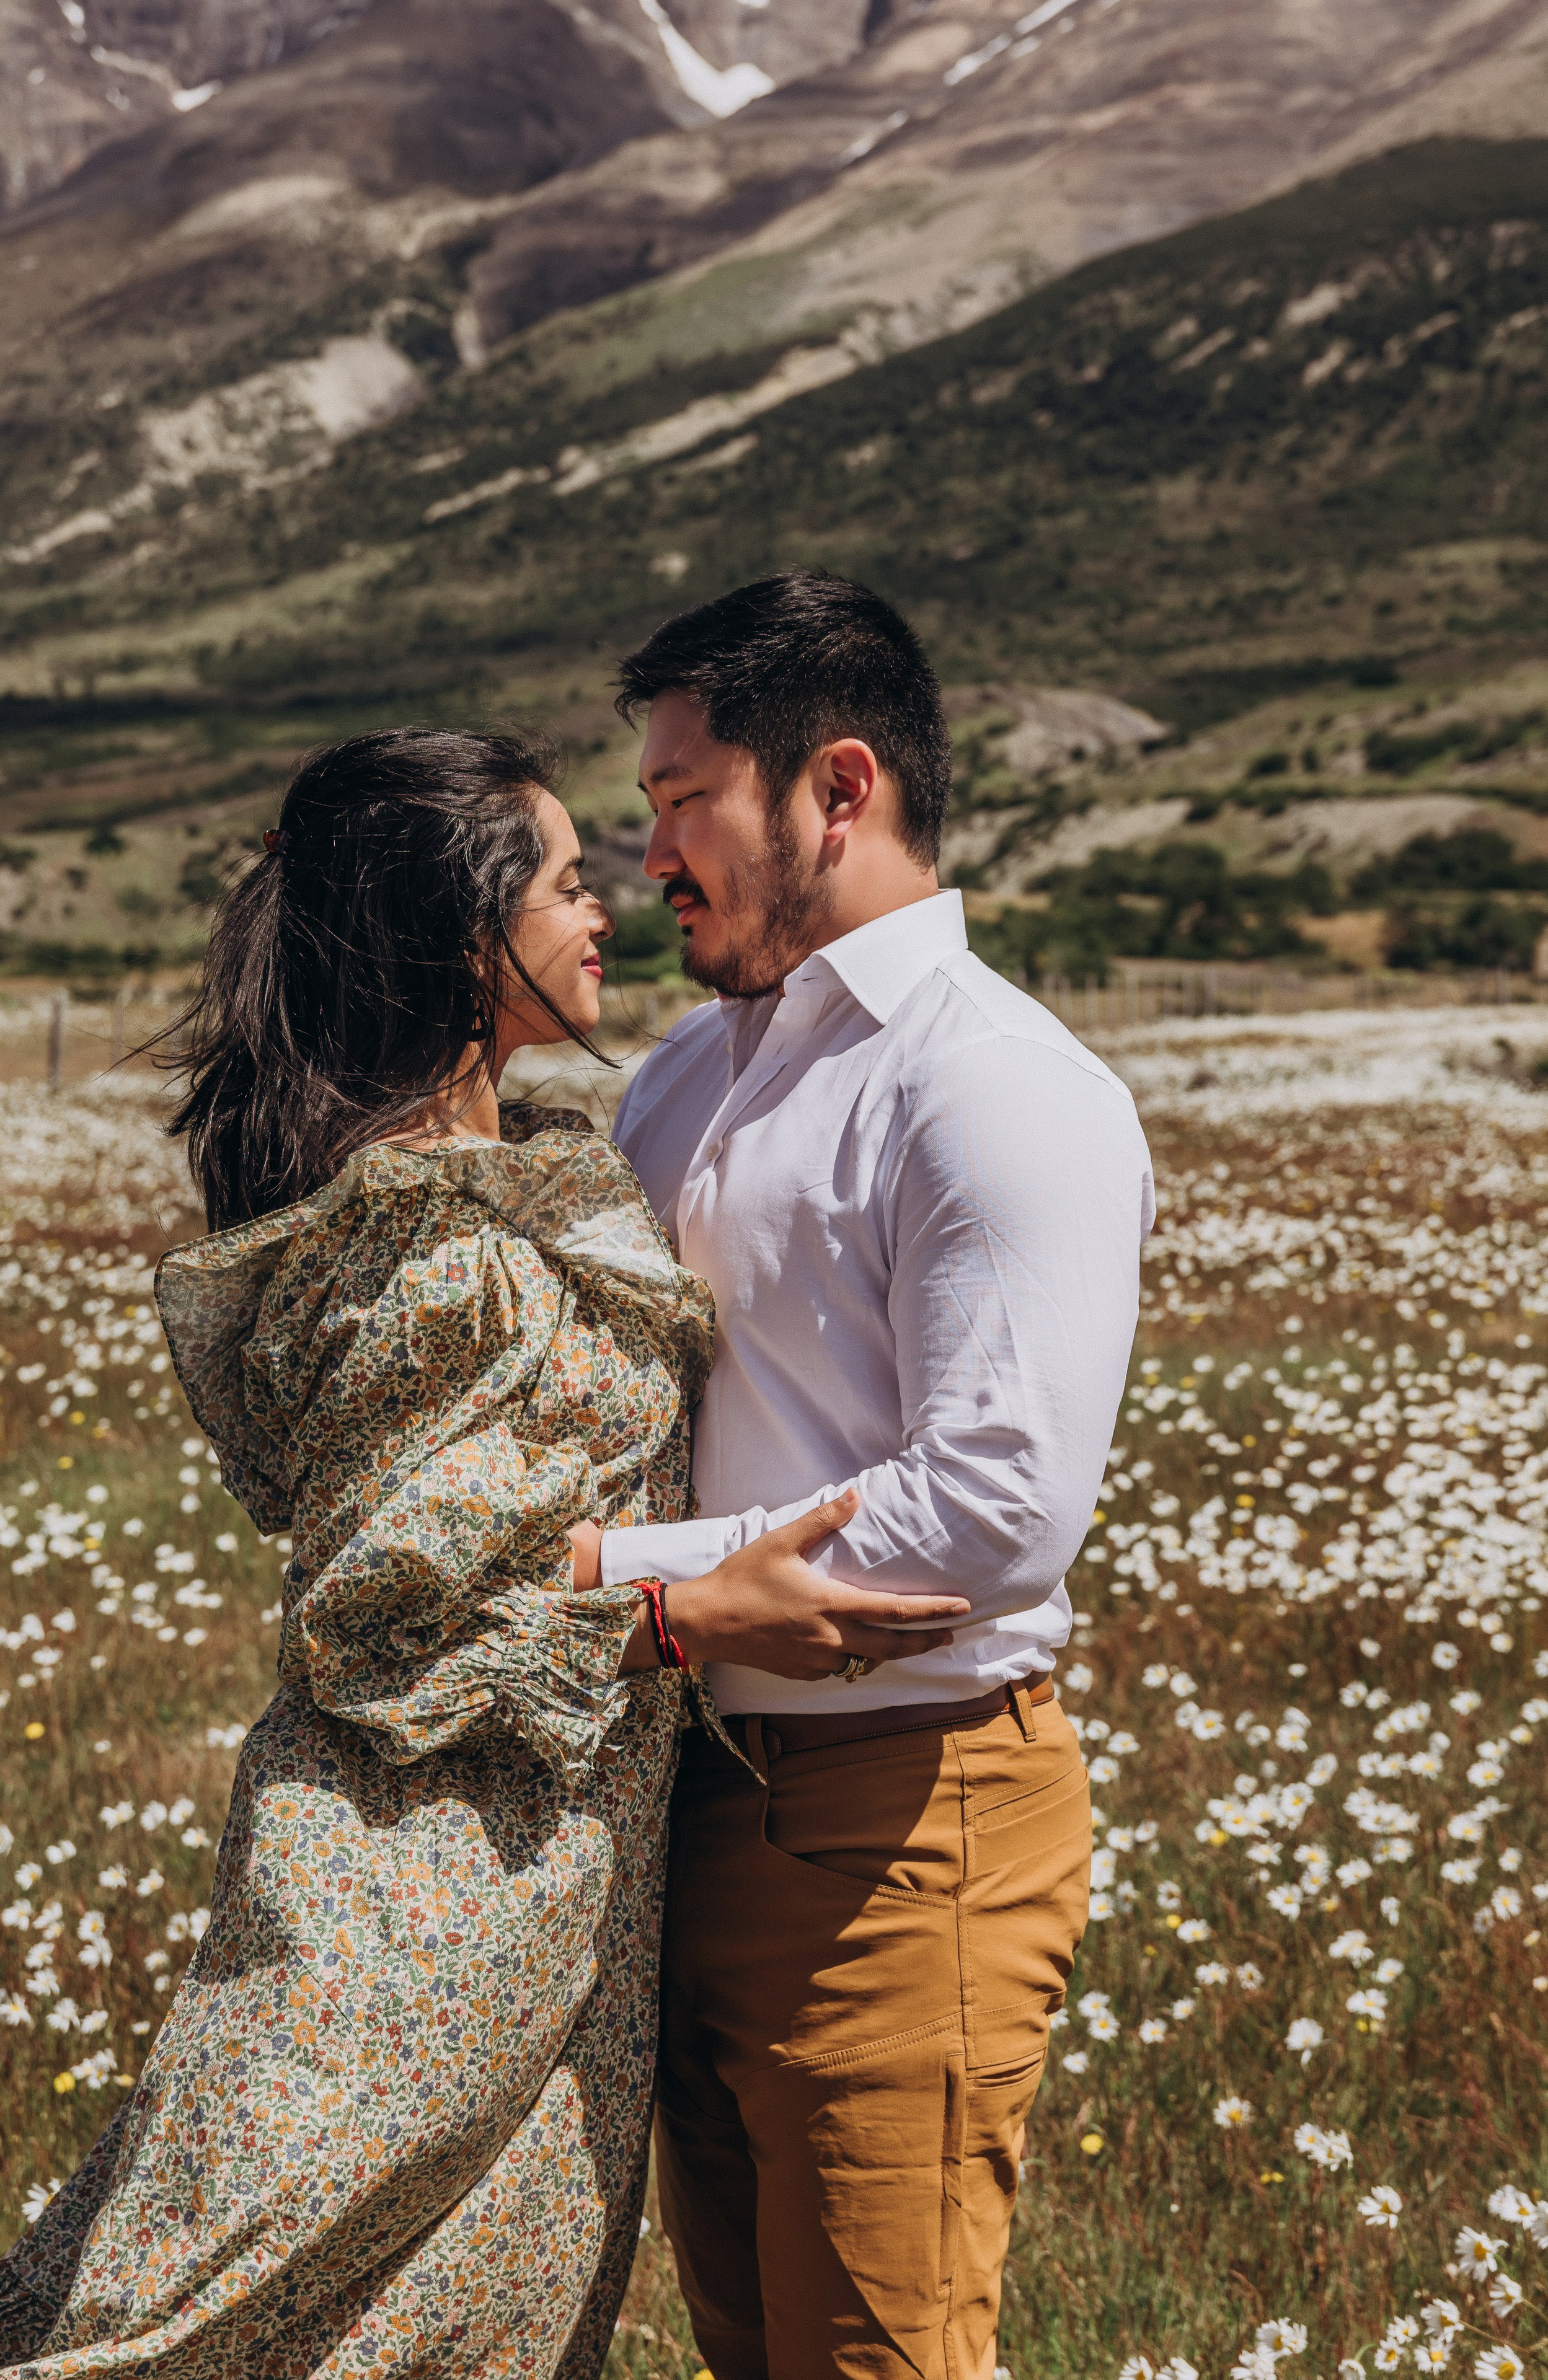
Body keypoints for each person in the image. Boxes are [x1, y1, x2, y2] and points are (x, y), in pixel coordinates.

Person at [0, 726, 967, 2380]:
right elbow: (373, 1619)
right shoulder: (418, 1250)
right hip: (406, 1911)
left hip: (552, 1899)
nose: (610, 911)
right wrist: (689, 1614)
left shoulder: (535, 1177)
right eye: (570, 882)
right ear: (457, 937)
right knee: (205, 2329)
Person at [577, 575, 1156, 2380]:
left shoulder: (996, 1088)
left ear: (837, 789)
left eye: (687, 800)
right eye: (649, 803)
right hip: (680, 1807)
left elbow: (994, 1504)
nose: (649, 848)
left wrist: (621, 1583)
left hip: (903, 1828)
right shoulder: (678, 1080)